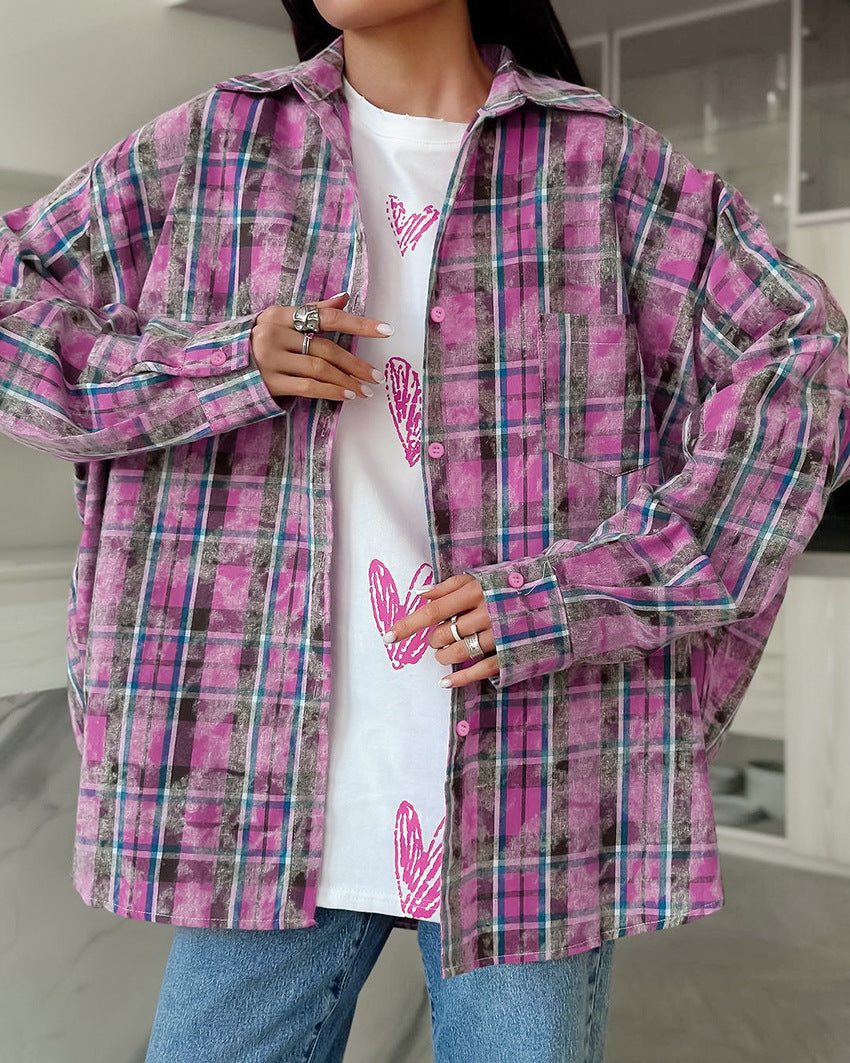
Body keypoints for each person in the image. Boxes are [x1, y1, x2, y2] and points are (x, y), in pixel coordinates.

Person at [1, 0, 848, 1059]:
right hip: (262, 779)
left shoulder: (604, 168)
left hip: (539, 776)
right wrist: (220, 367)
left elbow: (804, 363)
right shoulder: (218, 144)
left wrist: (584, 590)